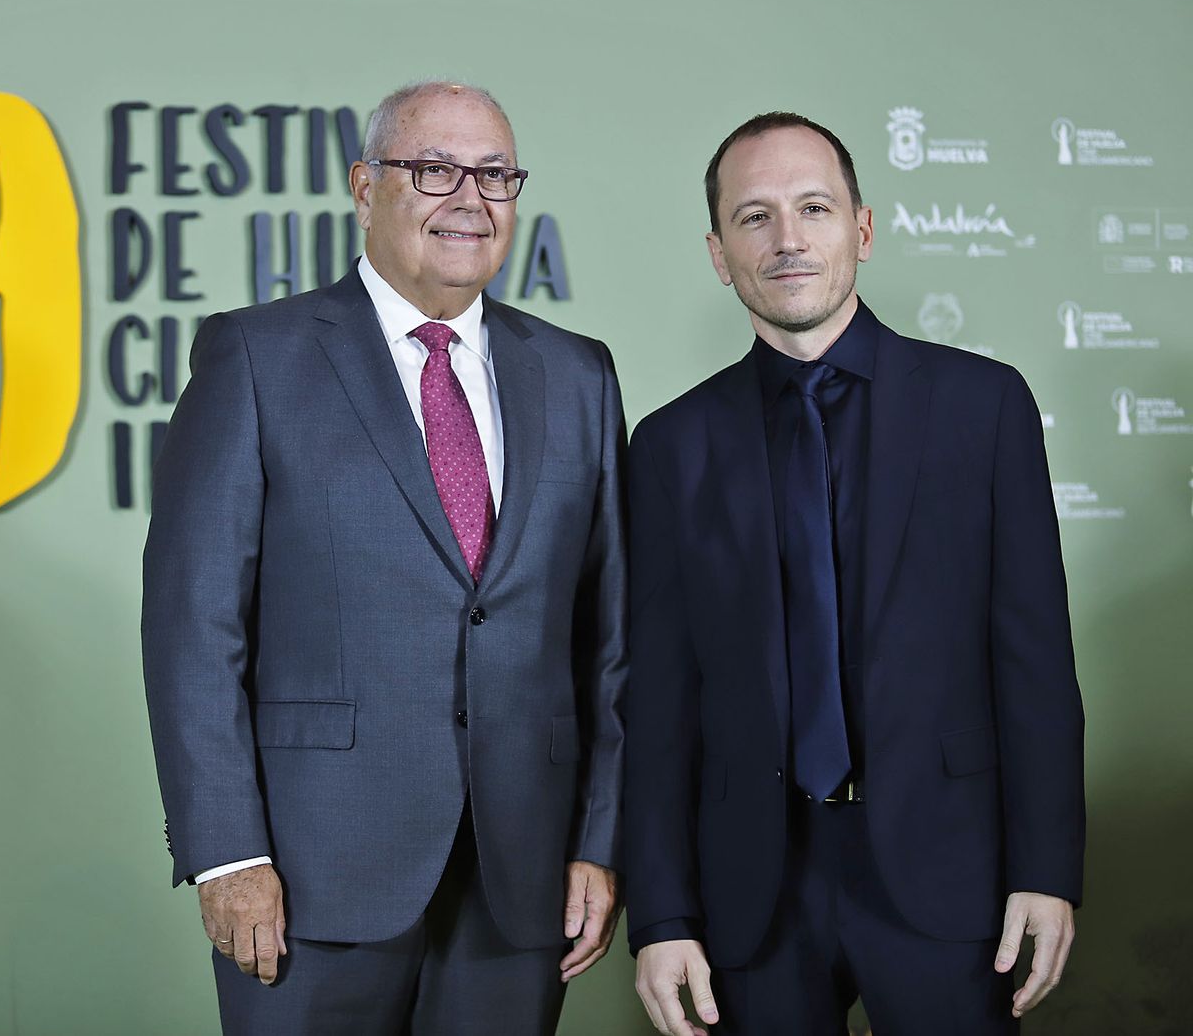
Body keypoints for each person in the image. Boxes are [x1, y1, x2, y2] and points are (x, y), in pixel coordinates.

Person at [141, 80, 627, 1035]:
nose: (470, 198)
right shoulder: (255, 357)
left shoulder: (578, 374)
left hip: (520, 878)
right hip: (309, 881)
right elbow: (194, 624)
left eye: (495, 174)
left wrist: (598, 840)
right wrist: (226, 851)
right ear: (366, 186)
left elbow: (606, 638)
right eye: (434, 168)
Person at [623, 112, 1085, 1035]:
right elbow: (658, 700)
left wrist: (1047, 869)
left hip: (953, 879)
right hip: (749, 892)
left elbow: (1033, 661)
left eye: (813, 208)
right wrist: (662, 915)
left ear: (861, 230)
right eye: (754, 217)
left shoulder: (983, 406)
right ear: (719, 252)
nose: (787, 239)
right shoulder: (672, 444)